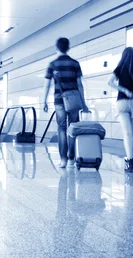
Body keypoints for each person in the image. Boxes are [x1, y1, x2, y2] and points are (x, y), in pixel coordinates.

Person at [43, 37, 89, 168]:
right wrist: (84, 104)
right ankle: (72, 158)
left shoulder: (52, 64)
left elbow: (46, 85)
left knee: (61, 128)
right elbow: (80, 85)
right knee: (73, 128)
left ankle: (63, 159)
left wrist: (44, 101)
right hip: (73, 99)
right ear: (68, 48)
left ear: (56, 48)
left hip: (59, 99)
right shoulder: (75, 63)